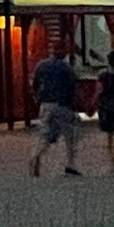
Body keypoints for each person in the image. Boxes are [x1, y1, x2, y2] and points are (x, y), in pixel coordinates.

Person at [31, 47, 81, 177]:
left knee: (46, 134)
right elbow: (74, 86)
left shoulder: (41, 66)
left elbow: (35, 83)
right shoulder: (66, 68)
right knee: (70, 136)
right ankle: (70, 165)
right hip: (63, 104)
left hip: (46, 103)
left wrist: (37, 97)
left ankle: (37, 155)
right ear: (63, 54)